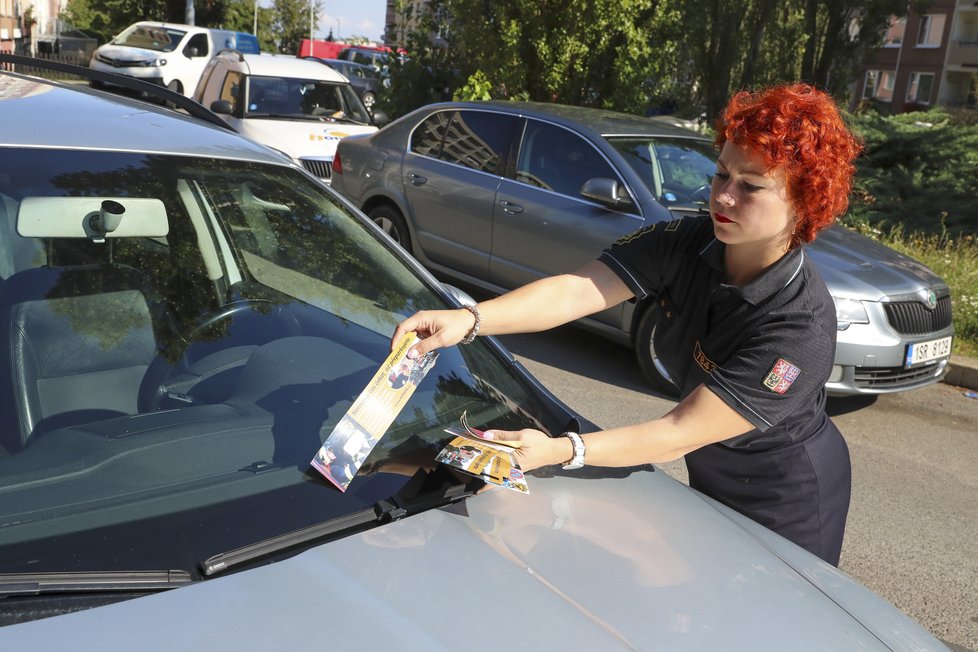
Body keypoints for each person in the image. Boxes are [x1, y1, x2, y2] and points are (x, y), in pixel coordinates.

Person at [391, 82, 862, 567]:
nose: (723, 196)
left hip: (788, 494)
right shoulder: (685, 240)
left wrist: (557, 450)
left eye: (751, 185)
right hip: (712, 465)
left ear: (805, 201)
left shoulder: (799, 328)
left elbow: (680, 429)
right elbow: (577, 289)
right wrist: (468, 320)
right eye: (721, 173)